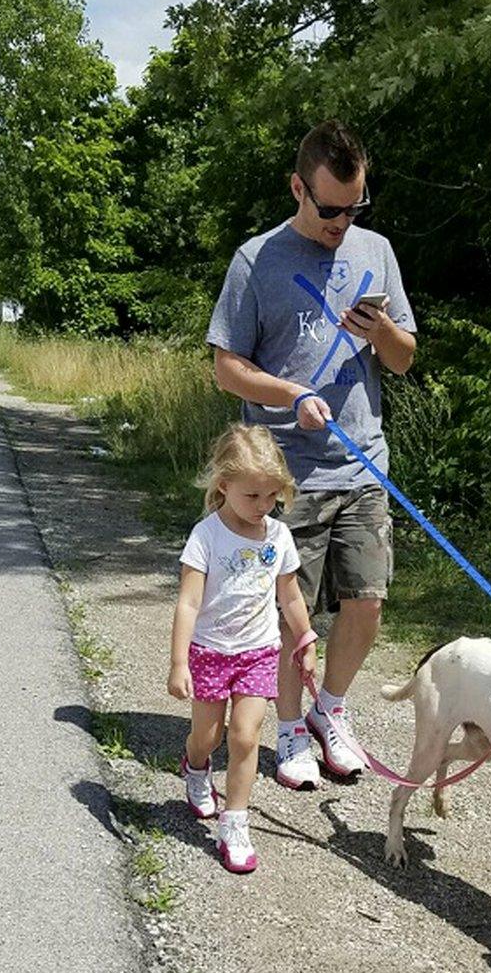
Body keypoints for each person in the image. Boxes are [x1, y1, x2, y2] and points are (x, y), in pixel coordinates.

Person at [206, 118, 417, 790]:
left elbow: (405, 359)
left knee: (367, 601)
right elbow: (227, 368)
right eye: (330, 209)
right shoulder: (256, 260)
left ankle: (331, 711)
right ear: (298, 187)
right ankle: (291, 729)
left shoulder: (376, 251)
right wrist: (290, 392)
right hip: (281, 476)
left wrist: (381, 327)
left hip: (363, 464)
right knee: (284, 613)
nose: (341, 222)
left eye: (354, 207)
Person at [167, 423, 316, 873]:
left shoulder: (278, 536)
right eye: (252, 496)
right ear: (223, 485)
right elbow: (189, 602)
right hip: (210, 651)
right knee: (208, 736)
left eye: (272, 496)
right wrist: (179, 663)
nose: (263, 506)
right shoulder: (207, 536)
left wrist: (305, 639)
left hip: (258, 652)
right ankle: (195, 768)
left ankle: (235, 821)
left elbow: (289, 596)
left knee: (246, 735)